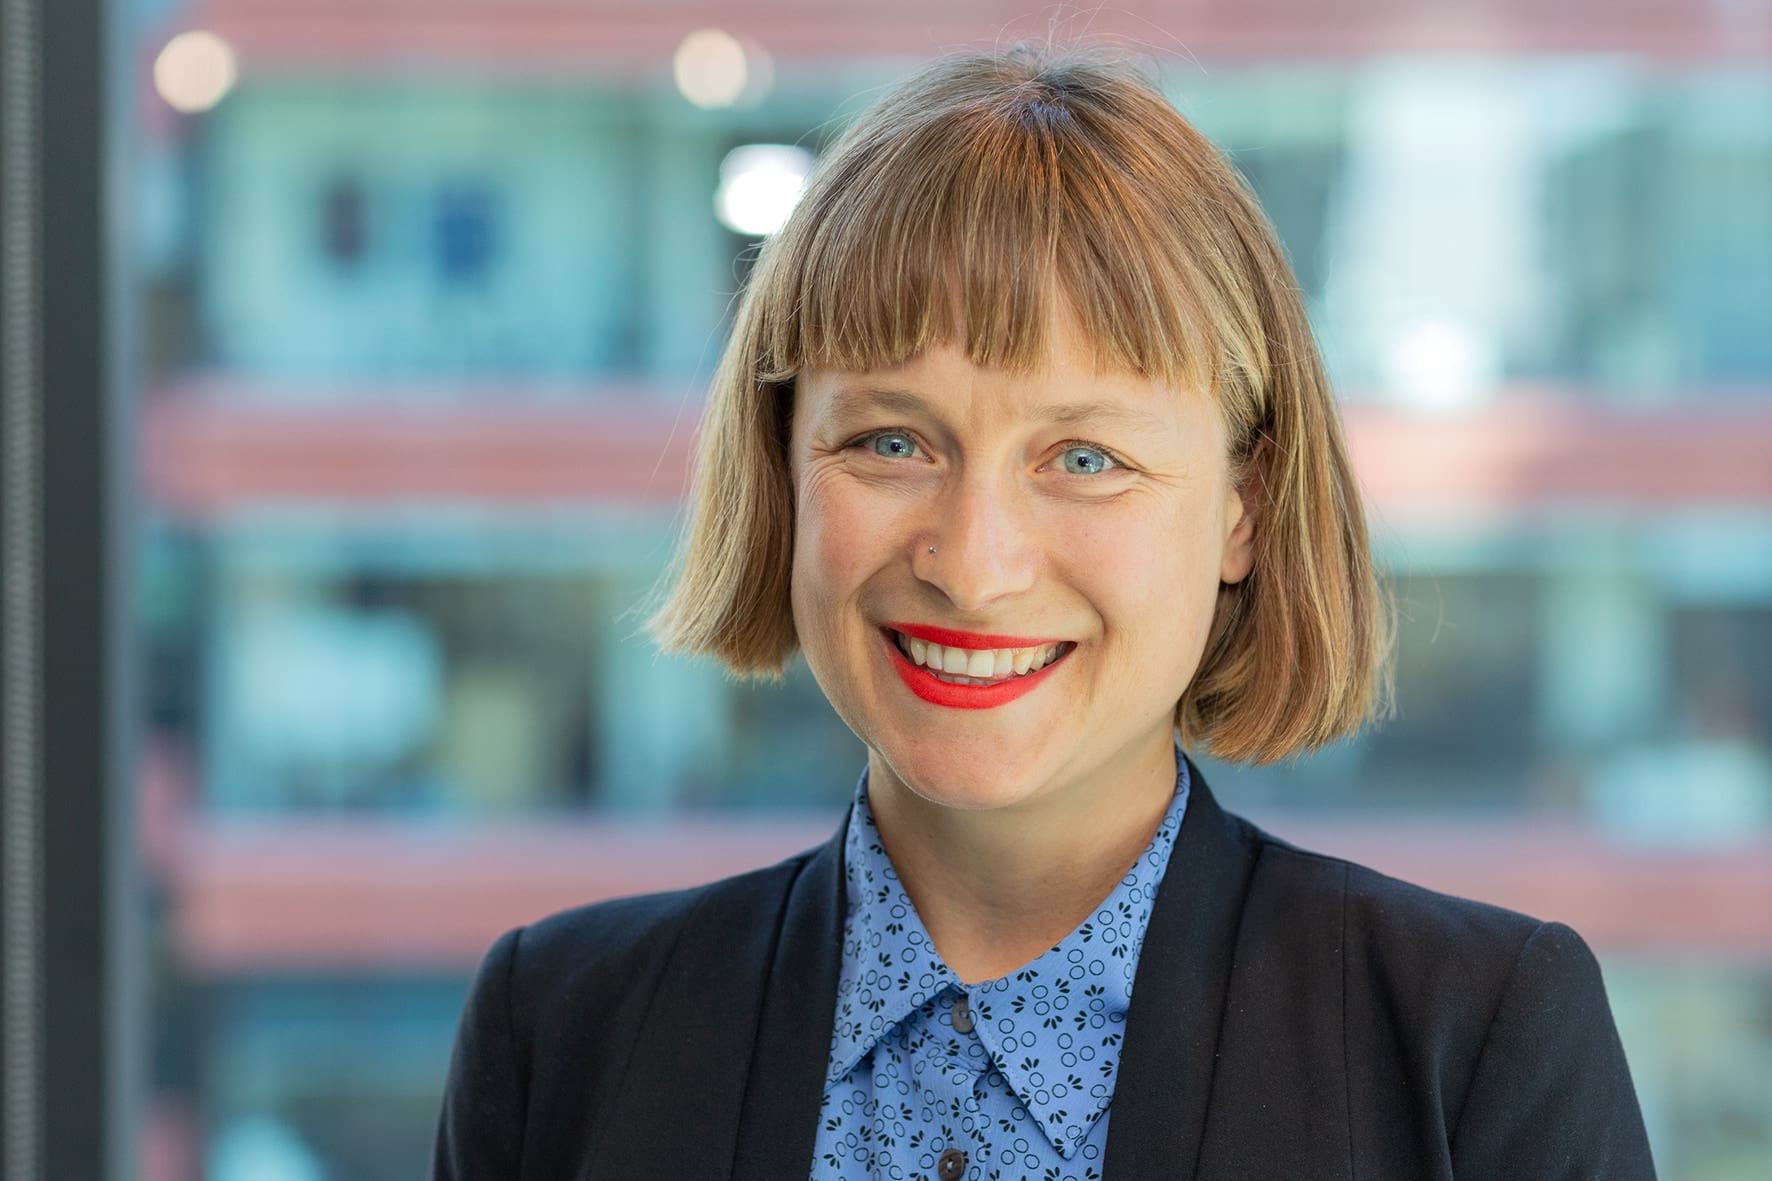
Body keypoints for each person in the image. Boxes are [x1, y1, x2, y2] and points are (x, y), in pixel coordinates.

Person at [431, 44, 1657, 1180]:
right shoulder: (561, 1031)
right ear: (784, 466)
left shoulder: (1477, 1045)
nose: (972, 564)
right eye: (891, 439)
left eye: (1081, 457)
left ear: (1244, 502)